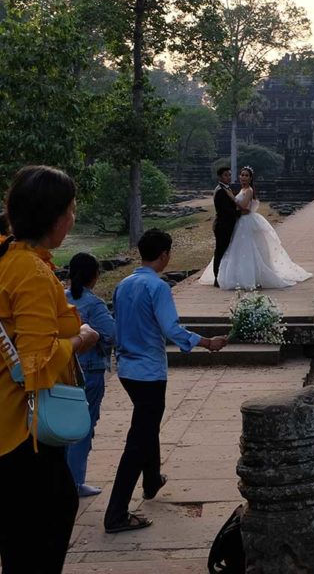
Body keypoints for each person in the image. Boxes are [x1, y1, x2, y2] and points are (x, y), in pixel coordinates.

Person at [0, 165, 98, 574]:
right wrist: (80, 340)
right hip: (22, 430)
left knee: (19, 541)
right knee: (43, 534)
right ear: (56, 217)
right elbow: (36, 363)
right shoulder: (32, 272)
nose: (73, 218)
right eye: (72, 210)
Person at [107, 228, 228, 533]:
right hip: (148, 371)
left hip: (127, 370)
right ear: (164, 255)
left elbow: (117, 327)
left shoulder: (123, 285)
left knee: (147, 425)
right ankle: (116, 512)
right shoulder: (157, 287)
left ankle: (151, 481)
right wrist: (206, 342)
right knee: (138, 439)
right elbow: (171, 330)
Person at [64, 252, 116, 497]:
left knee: (62, 426)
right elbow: (111, 333)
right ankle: (75, 480)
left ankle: (61, 478)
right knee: (84, 426)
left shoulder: (60, 298)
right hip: (90, 371)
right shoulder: (94, 304)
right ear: (94, 275)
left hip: (64, 369)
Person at [209, 167, 312, 290]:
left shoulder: (246, 190)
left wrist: (233, 198)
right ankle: (220, 277)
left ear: (250, 178)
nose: (243, 177)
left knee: (245, 249)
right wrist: (235, 204)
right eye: (242, 175)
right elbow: (228, 210)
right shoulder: (225, 190)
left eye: (246, 175)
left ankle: (246, 276)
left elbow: (243, 207)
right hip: (227, 224)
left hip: (243, 222)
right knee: (226, 250)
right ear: (220, 177)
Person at [198, 167, 240, 284]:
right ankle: (217, 277)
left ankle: (222, 275)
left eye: (230, 175)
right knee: (220, 251)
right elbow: (225, 210)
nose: (229, 177)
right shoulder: (221, 190)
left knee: (224, 250)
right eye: (226, 175)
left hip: (227, 224)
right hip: (223, 225)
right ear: (220, 177)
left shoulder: (226, 188)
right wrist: (241, 212)